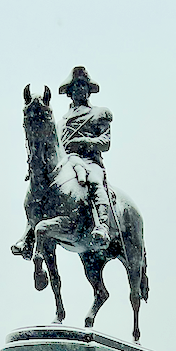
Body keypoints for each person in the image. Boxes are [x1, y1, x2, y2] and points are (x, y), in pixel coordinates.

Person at [58, 65, 113, 245]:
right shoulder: (62, 122)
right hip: (67, 164)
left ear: (88, 91)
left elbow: (105, 143)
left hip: (90, 162)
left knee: (95, 182)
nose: (79, 90)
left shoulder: (98, 114)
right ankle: (29, 235)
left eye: (82, 86)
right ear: (70, 92)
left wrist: (82, 142)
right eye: (75, 87)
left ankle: (103, 225)